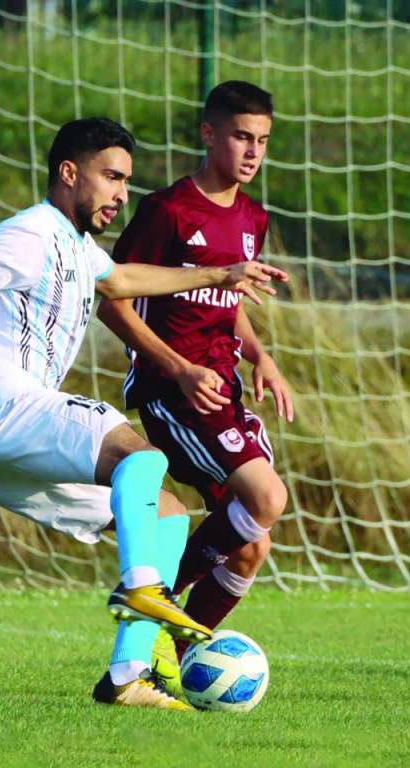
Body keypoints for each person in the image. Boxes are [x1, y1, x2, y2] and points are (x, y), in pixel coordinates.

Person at [0, 117, 287, 711]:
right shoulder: (30, 234)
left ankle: (127, 676)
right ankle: (144, 589)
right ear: (70, 173)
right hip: (8, 410)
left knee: (167, 516)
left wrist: (221, 273)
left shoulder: (79, 248)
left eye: (126, 182)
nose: (121, 194)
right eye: (111, 177)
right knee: (141, 456)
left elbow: (122, 280)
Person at [97, 83, 294, 673]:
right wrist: (178, 369)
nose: (253, 151)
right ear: (209, 134)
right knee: (266, 497)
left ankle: (172, 654)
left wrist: (260, 354)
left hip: (222, 388)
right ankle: (150, 601)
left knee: (252, 546)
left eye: (261, 140)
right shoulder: (167, 211)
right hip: (172, 392)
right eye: (241, 136)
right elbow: (111, 299)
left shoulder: (252, 217)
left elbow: (226, 299)